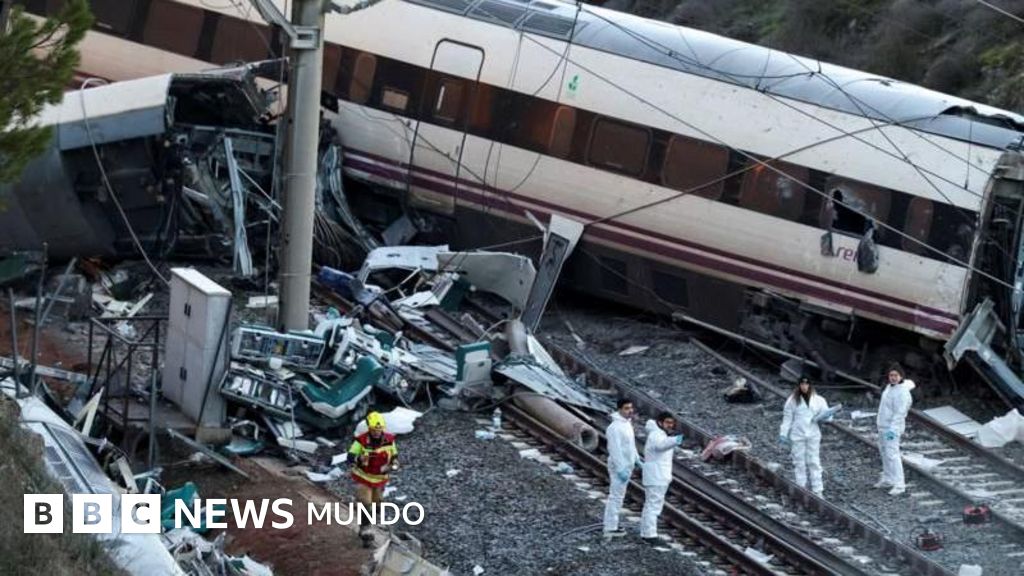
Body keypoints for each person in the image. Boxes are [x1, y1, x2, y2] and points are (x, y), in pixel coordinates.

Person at [778, 376, 836, 496]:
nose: (804, 387)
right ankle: (801, 487)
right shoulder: (792, 400)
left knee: (814, 461)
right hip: (797, 434)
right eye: (802, 384)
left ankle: (818, 490)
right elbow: (787, 418)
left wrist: (826, 416)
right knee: (799, 461)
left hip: (813, 433)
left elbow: (828, 416)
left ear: (810, 385)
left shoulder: (819, 400)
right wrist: (783, 433)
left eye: (806, 384)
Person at [349, 411, 399, 541]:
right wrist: (359, 459)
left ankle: (375, 521)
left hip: (380, 479)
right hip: (363, 477)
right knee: (365, 503)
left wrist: (394, 463)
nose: (377, 432)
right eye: (374, 430)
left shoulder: (389, 440)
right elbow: (350, 457)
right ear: (369, 428)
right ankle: (365, 529)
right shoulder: (361, 441)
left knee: (377, 504)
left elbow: (394, 455)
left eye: (379, 429)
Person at [640, 411, 683, 545]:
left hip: (657, 475)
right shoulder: (656, 434)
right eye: (667, 422)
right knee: (653, 506)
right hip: (656, 476)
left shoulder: (659, 433)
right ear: (660, 423)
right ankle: (650, 535)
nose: (670, 425)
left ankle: (647, 532)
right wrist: (675, 440)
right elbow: (660, 446)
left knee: (652, 505)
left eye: (672, 423)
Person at [875, 363, 915, 495]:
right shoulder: (889, 387)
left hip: (892, 428)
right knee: (884, 453)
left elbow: (900, 413)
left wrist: (893, 429)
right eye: (891, 375)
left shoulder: (902, 393)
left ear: (901, 376)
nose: (893, 378)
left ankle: (899, 484)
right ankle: (888, 478)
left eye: (895, 375)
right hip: (883, 426)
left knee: (892, 454)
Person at [603, 398, 638, 538]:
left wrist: (636, 459)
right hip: (620, 467)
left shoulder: (627, 424)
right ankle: (610, 527)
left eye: (631, 408)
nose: (630, 411)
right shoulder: (614, 428)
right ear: (619, 409)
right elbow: (615, 449)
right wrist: (620, 469)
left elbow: (630, 445)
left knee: (619, 496)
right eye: (626, 408)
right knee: (615, 496)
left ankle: (613, 524)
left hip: (627, 465)